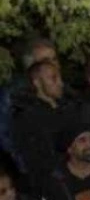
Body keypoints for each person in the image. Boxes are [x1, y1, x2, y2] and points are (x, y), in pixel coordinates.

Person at [12, 61, 80, 192]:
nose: (60, 83)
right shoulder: (27, 117)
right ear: (37, 82)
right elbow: (35, 159)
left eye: (60, 77)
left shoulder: (69, 107)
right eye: (53, 78)